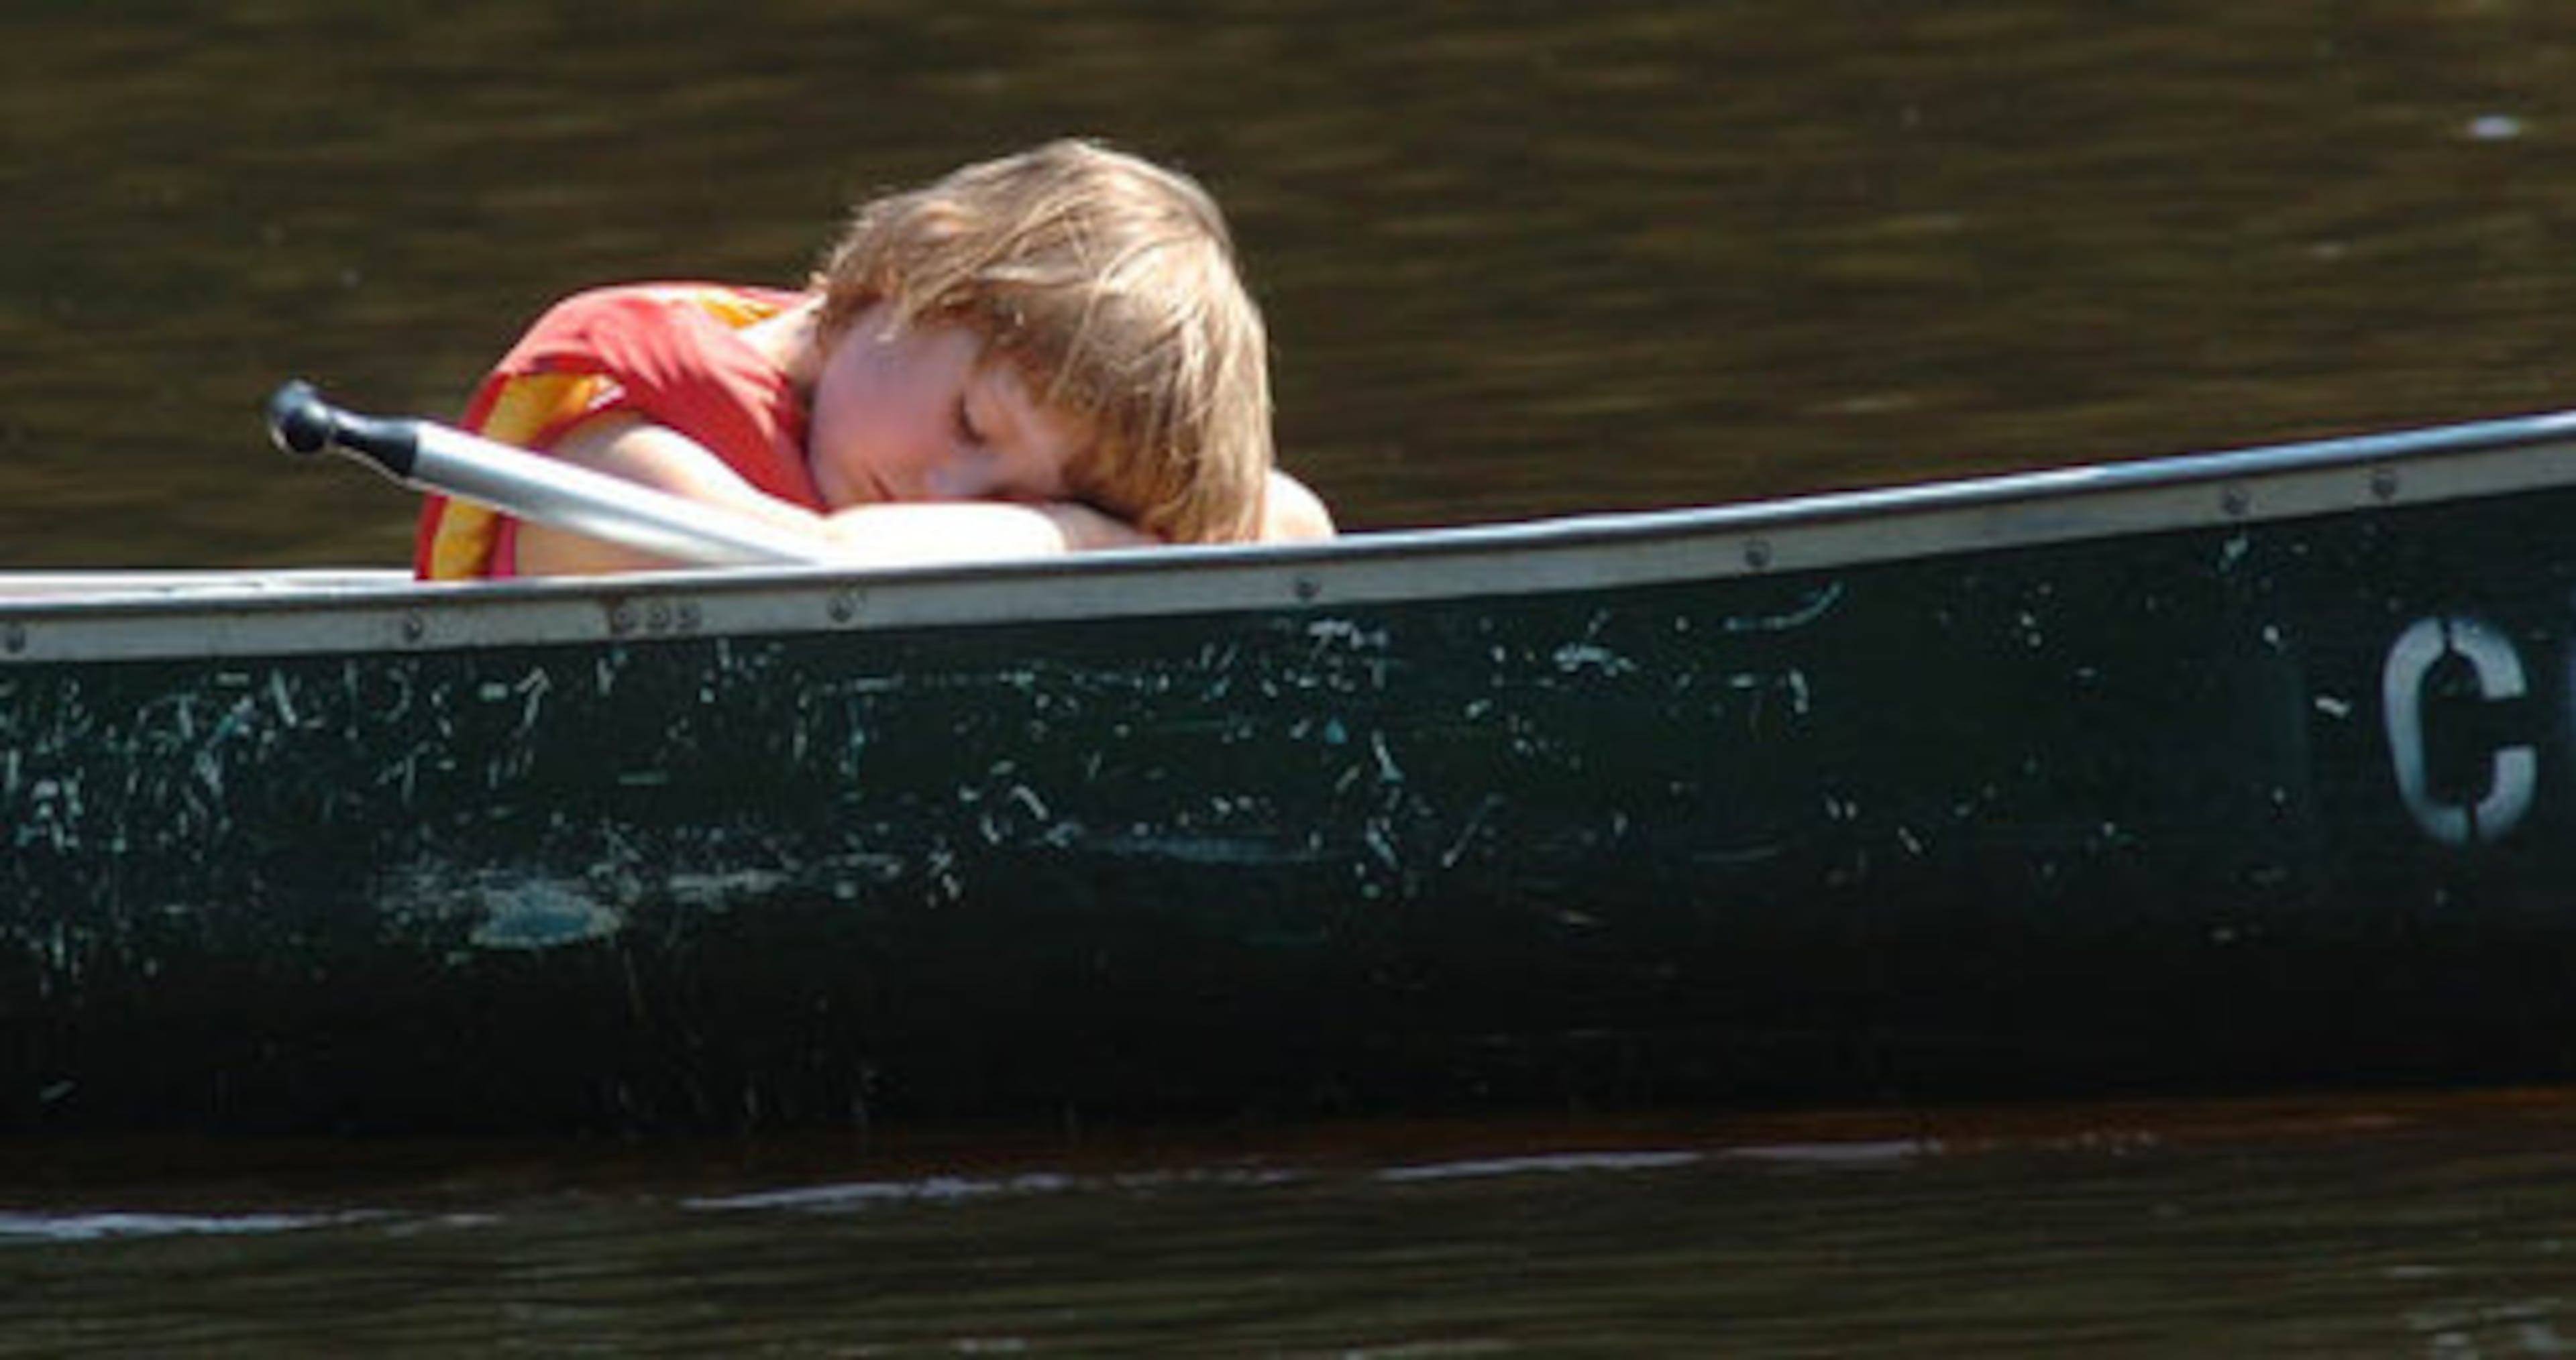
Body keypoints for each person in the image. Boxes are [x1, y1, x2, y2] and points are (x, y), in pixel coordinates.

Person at [415, 138, 1332, 580]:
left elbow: (1293, 522)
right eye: (973, 422)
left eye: (1027, 497)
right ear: (909, 274)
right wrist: (1080, 536)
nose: (950, 493)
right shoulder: (616, 438)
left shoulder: (888, 413)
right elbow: (814, 568)